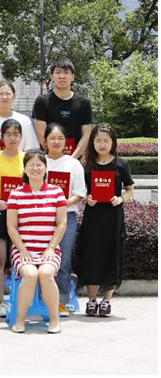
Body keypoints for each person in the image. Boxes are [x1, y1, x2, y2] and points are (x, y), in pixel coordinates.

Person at [75, 124, 134, 318]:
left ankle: (106, 301)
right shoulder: (87, 165)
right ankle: (92, 299)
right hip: (93, 218)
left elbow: (130, 190)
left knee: (112, 255)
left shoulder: (121, 164)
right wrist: (87, 198)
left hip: (113, 218)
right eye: (98, 140)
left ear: (113, 143)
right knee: (91, 255)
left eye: (106, 141)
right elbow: (81, 190)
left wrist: (121, 199)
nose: (102, 144)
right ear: (92, 143)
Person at [7, 150, 67, 334]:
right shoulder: (15, 194)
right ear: (24, 169)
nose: (35, 168)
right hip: (23, 249)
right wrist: (22, 249)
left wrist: (51, 248)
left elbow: (61, 223)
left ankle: (54, 320)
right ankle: (19, 321)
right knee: (31, 274)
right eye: (31, 165)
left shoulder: (57, 192)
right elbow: (11, 226)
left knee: (46, 273)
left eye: (39, 165)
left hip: (49, 249)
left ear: (46, 168)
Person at [44, 123, 87, 316]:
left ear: (66, 142)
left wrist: (61, 204)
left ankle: (61, 301)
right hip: (41, 216)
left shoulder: (73, 164)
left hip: (67, 216)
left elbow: (79, 193)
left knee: (63, 259)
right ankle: (40, 298)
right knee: (41, 257)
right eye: (52, 138)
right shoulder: (39, 161)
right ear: (45, 141)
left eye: (60, 138)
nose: (56, 142)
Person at [0, 118, 25, 318]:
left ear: (21, 137)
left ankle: (19, 301)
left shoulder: (26, 158)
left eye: (16, 134)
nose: (12, 138)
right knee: (0, 259)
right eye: (8, 134)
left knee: (19, 259)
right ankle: (0, 302)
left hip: (22, 214)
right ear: (1, 137)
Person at [32, 59, 93, 159]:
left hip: (76, 159)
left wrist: (72, 159)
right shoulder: (42, 101)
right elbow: (41, 135)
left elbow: (86, 135)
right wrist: (55, 157)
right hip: (50, 159)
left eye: (66, 73)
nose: (62, 76)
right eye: (58, 72)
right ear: (51, 76)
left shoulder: (84, 103)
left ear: (72, 76)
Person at [0, 80, 39, 160]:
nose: (4, 97)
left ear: (14, 95)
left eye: (8, 94)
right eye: (1, 94)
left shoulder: (24, 121)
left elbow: (30, 149)